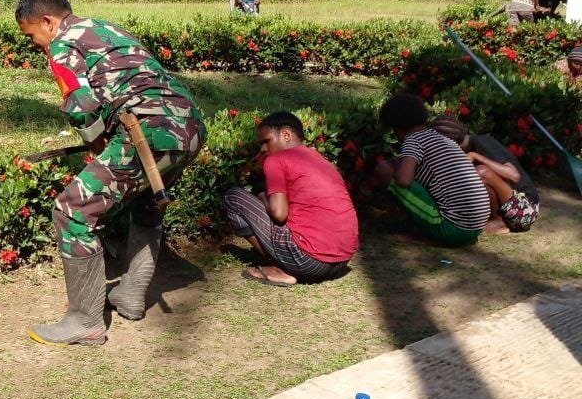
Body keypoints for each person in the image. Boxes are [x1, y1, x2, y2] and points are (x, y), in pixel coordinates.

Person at [15, 0, 206, 346]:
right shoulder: (106, 28)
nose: (36, 44)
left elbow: (82, 105)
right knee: (146, 199)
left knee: (71, 209)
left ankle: (84, 321)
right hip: (191, 127)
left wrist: (95, 142)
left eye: (32, 36)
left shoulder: (62, 44)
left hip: (148, 131)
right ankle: (131, 294)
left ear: (47, 21)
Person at [223, 112, 359, 287]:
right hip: (342, 262)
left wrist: (264, 198)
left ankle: (280, 268)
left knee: (233, 197)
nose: (263, 149)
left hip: (309, 263)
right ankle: (287, 262)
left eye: (266, 141)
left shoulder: (276, 159)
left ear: (286, 135)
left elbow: (279, 214)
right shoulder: (320, 160)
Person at [375, 94, 490, 246]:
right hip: (476, 226)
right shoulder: (440, 137)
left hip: (454, 228)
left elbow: (404, 180)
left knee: (385, 169)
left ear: (396, 126)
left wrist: (396, 166)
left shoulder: (413, 141)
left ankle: (421, 231)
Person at [431, 115, 539, 235]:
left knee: (481, 172)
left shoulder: (481, 142)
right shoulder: (462, 151)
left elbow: (514, 175)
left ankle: (499, 221)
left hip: (526, 210)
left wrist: (477, 156)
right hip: (511, 206)